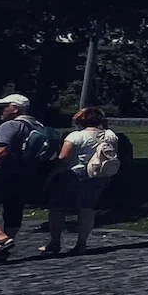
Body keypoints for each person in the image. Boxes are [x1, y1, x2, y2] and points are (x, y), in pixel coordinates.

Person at [45, 107, 118, 256]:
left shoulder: (75, 136)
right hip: (99, 174)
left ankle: (55, 242)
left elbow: (63, 158)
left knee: (57, 207)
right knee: (87, 208)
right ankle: (81, 243)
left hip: (74, 172)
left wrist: (52, 174)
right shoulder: (110, 136)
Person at [0, 95, 46, 258]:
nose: (0, 110)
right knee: (13, 211)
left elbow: (0, 152)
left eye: (4, 106)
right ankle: (4, 248)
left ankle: (1, 239)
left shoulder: (11, 125)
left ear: (15, 109)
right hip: (23, 176)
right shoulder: (38, 126)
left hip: (0, 174)